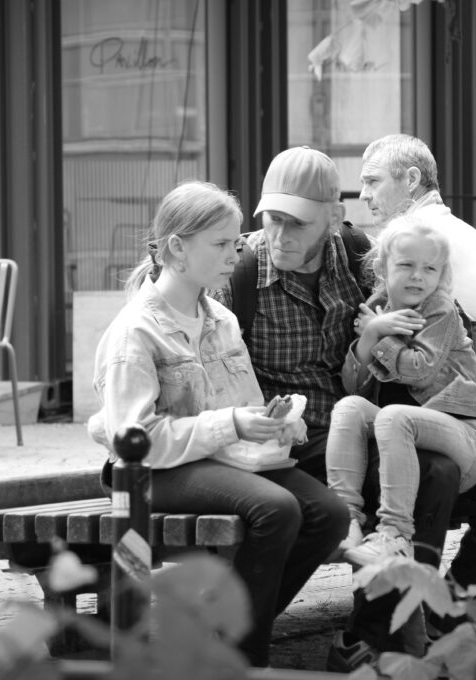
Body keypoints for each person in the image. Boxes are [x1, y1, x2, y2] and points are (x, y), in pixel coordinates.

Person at [216, 143, 476, 671]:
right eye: (270, 220)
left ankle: (454, 626)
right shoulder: (241, 274)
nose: (279, 235)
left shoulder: (364, 260)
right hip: (290, 443)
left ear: (335, 220)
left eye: (296, 223)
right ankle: (380, 645)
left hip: (366, 426)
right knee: (431, 473)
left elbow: (452, 362)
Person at [87, 180, 348, 668]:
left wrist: (273, 423)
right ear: (177, 249)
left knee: (328, 515)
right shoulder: (134, 331)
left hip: (216, 461)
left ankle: (219, 634)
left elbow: (244, 405)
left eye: (237, 242)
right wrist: (231, 424)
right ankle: (242, 657)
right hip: (147, 474)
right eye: (223, 244)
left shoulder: (223, 318)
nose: (239, 252)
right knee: (277, 508)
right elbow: (134, 441)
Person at [329, 214, 476, 566]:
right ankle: (345, 520)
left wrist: (383, 337)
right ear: (383, 267)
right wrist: (371, 333)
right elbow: (353, 383)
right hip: (422, 430)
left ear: (442, 274)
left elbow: (419, 369)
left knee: (395, 418)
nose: (418, 276)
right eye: (407, 265)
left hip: (465, 435)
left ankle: (394, 534)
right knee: (350, 408)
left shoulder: (440, 310)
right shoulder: (378, 308)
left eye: (430, 269)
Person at [359, 133, 476, 396]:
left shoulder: (416, 236)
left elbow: (377, 312)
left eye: (373, 181)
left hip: (462, 387)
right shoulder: (461, 229)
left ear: (411, 179)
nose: (365, 195)